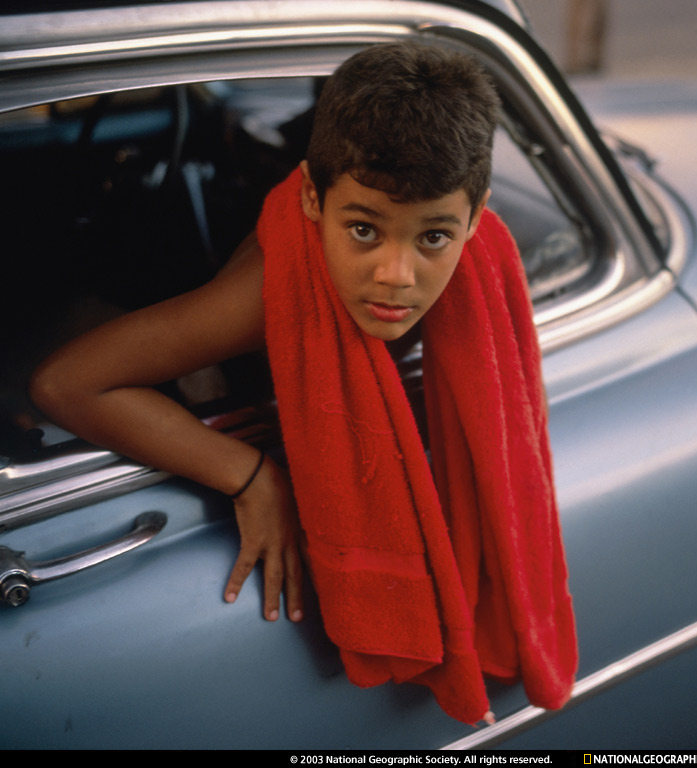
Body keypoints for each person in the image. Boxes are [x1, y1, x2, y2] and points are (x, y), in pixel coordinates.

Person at [30, 42, 576, 724]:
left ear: (476, 218)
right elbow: (65, 383)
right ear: (313, 198)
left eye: (433, 237)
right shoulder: (268, 290)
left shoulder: (482, 259)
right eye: (363, 229)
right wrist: (250, 475)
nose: (396, 275)